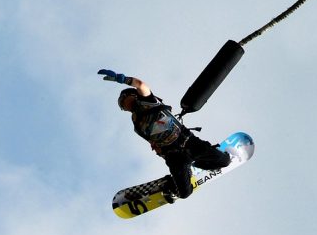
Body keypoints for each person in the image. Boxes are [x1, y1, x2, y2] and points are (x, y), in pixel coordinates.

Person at [98, 69, 231, 201]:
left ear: (132, 95)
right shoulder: (137, 126)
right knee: (185, 194)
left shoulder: (147, 101)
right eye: (122, 105)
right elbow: (154, 141)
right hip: (175, 157)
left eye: (123, 100)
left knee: (225, 161)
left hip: (189, 142)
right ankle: (170, 184)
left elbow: (141, 85)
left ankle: (198, 163)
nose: (123, 105)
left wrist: (122, 79)